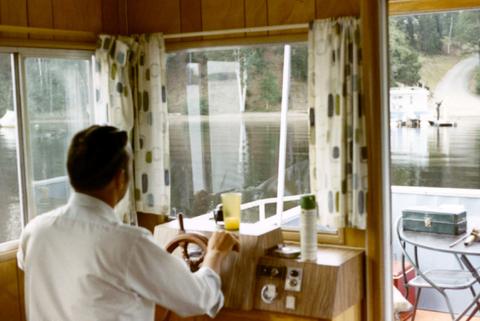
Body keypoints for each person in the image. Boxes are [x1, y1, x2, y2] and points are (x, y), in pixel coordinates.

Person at [17, 125, 239, 321]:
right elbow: (198, 299)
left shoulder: (35, 230)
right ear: (120, 178)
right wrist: (215, 254)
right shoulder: (129, 243)